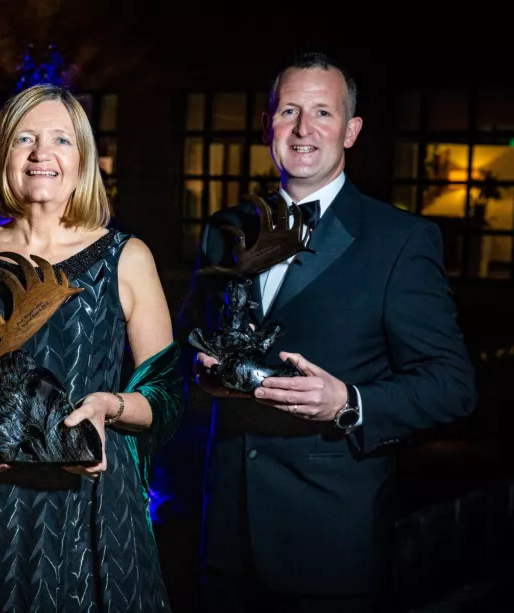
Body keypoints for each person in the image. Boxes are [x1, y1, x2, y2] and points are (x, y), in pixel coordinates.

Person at [179, 52, 478, 612]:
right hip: (226, 536)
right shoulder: (226, 229)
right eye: (289, 110)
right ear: (267, 123)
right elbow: (186, 343)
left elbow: (452, 385)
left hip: (330, 545)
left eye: (322, 112)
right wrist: (200, 368)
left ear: (351, 130)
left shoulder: (400, 240)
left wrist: (350, 401)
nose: (303, 128)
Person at [0, 83, 183, 612]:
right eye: (24, 138)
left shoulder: (126, 257)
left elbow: (167, 392)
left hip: (91, 504)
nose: (40, 154)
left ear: (83, 159)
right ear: (3, 153)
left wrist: (109, 406)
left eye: (60, 140)